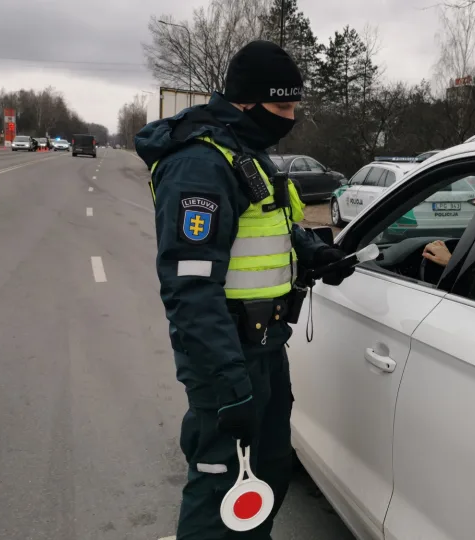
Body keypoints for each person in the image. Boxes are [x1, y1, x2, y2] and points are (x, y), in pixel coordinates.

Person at [134, 40, 355, 539]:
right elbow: (190, 287)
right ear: (244, 101)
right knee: (222, 487)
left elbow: (271, 225)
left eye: (295, 105)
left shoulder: (246, 155)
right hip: (228, 355)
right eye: (282, 106)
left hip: (265, 346)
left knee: (269, 471)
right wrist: (227, 380)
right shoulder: (201, 166)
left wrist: (315, 251)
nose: (291, 116)